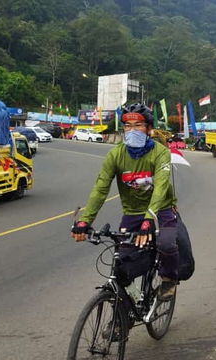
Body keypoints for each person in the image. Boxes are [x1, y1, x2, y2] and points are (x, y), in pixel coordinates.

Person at [71, 103, 179, 301]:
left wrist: (149, 219)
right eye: (127, 126)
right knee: (121, 264)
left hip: (160, 210)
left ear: (149, 129)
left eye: (138, 125)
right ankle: (125, 311)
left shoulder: (161, 153)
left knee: (166, 243)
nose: (131, 130)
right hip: (132, 212)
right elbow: (101, 188)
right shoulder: (115, 154)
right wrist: (85, 221)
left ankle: (168, 279)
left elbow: (161, 187)